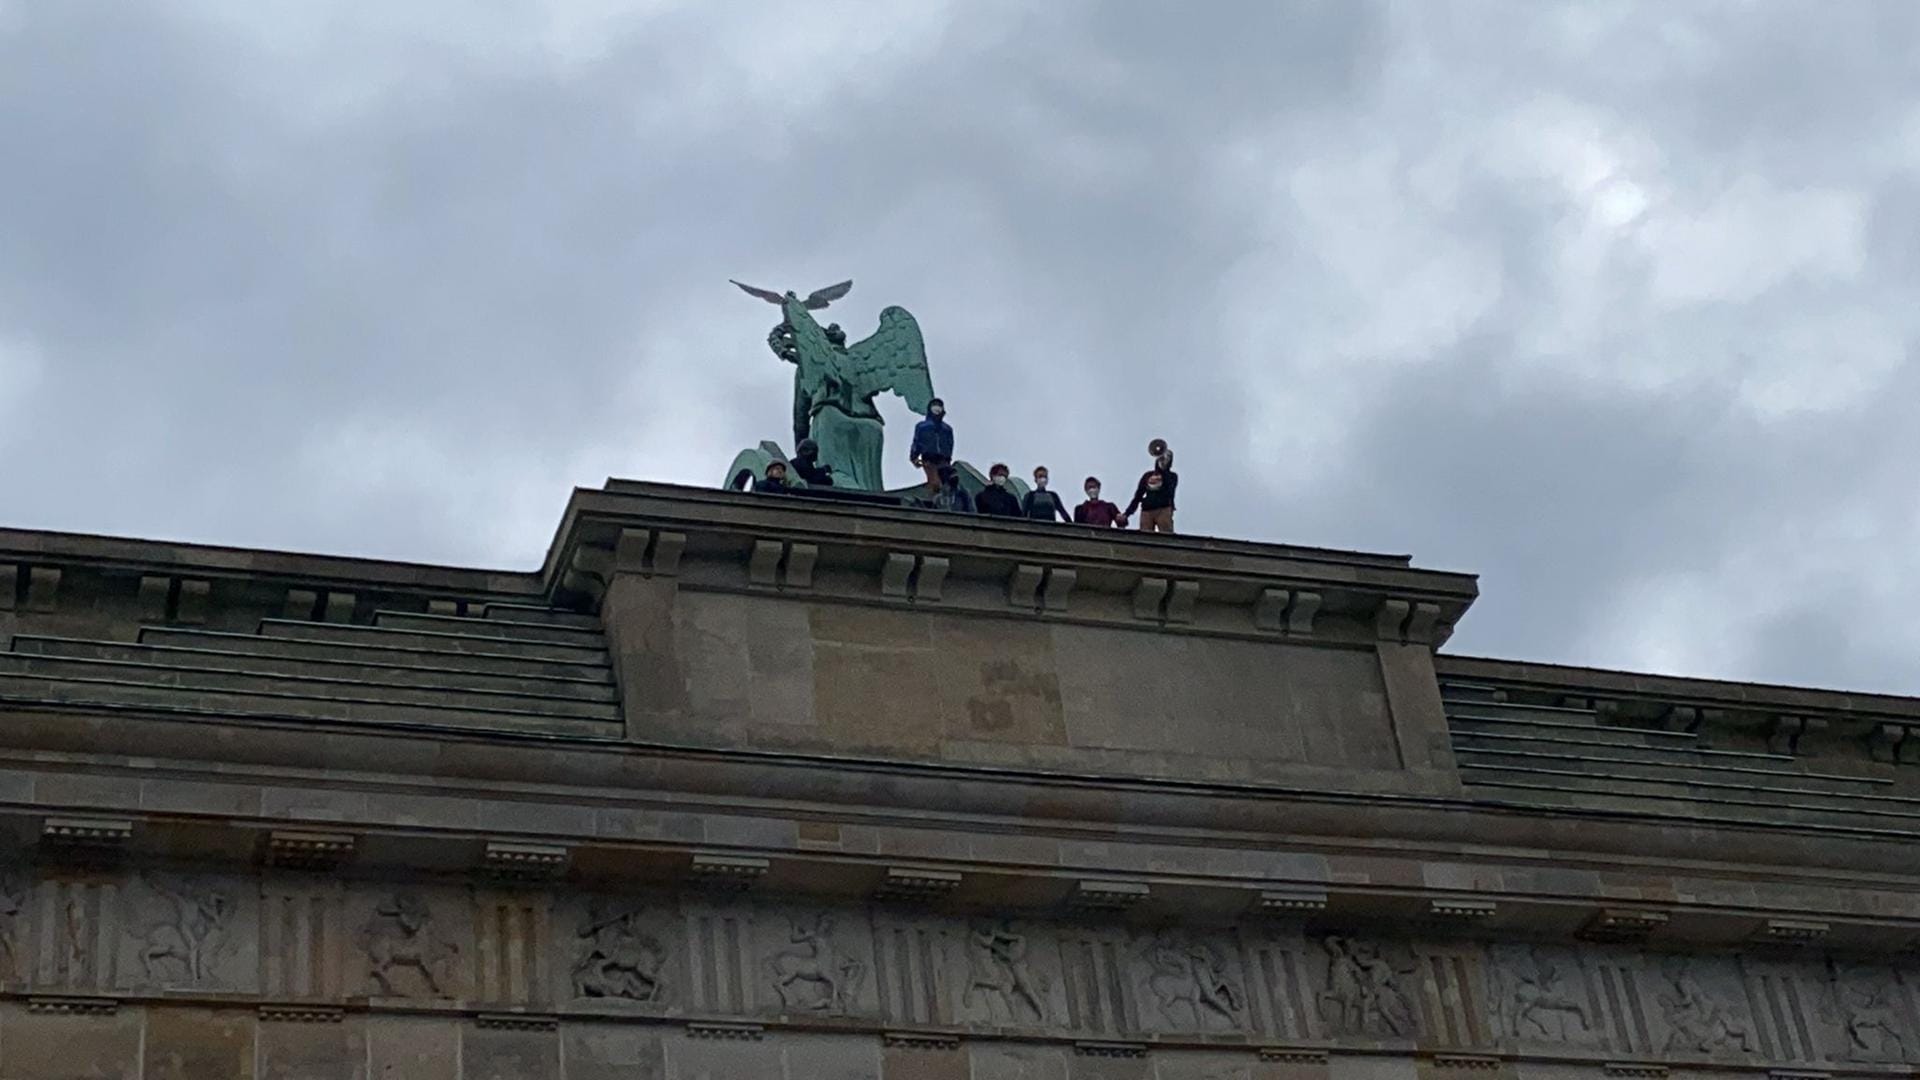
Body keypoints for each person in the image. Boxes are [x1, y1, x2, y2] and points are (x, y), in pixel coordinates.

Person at [1123, 441, 1178, 533]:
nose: (1164, 458)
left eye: (1168, 457)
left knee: (1166, 536)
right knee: (1145, 537)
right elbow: (1138, 496)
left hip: (1164, 508)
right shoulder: (1147, 475)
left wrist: (1164, 471)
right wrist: (1127, 513)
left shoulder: (1173, 476)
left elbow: (1170, 490)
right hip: (1147, 510)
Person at [910, 398, 954, 490]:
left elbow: (950, 444)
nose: (937, 408)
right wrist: (914, 456)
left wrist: (949, 457)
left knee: (947, 481)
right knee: (934, 482)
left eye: (939, 406)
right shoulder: (922, 427)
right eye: (934, 406)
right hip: (929, 458)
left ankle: (942, 497)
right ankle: (935, 498)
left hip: (943, 459)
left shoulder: (947, 429)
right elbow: (917, 441)